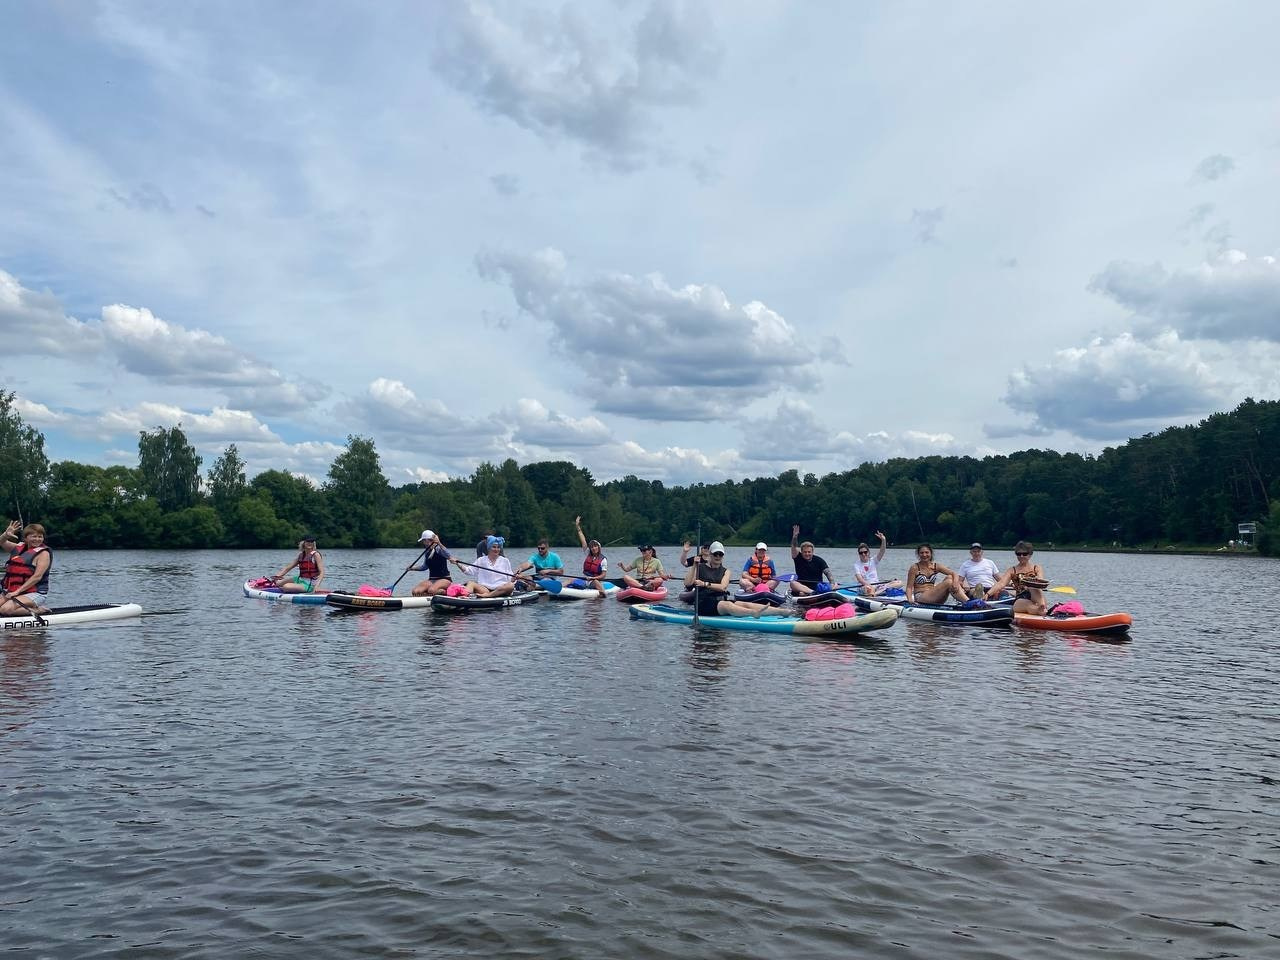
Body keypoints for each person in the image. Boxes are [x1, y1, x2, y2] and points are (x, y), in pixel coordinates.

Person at [684, 541, 784, 618]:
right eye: (715, 554)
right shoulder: (700, 567)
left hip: (720, 601)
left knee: (744, 604)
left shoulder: (726, 571)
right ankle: (753, 613)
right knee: (726, 605)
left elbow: (723, 587)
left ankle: (782, 612)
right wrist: (694, 566)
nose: (718, 556)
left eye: (720, 554)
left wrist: (704, 584)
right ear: (710, 555)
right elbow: (688, 583)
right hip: (704, 604)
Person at [2, 520, 52, 615]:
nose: (37, 539)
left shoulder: (43, 554)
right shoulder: (17, 548)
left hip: (35, 593)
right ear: (25, 538)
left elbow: (37, 577)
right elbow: (1, 542)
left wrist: (16, 592)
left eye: (40, 537)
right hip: (13, 591)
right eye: (34, 536)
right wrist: (6, 534)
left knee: (5, 609)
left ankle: (38, 610)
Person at [986, 541, 1049, 614]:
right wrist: (988, 594)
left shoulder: (1037, 568)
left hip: (1036, 595)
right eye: (1018, 554)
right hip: (1021, 599)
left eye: (1024, 554)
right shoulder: (1012, 570)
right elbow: (1001, 584)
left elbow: (1040, 581)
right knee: (1027, 604)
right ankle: (1040, 610)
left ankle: (1042, 607)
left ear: (1030, 555)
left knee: (1033, 587)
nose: (1021, 556)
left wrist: (1032, 583)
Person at [904, 543, 969, 605]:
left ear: (931, 553)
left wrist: (955, 583)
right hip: (921, 597)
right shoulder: (914, 567)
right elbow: (909, 587)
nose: (924, 555)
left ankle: (965, 599)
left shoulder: (936, 566)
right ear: (918, 554)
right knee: (949, 582)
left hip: (936, 597)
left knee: (950, 577)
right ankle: (967, 602)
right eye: (921, 553)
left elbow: (954, 573)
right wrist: (910, 600)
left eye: (926, 552)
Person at [788, 525, 838, 596]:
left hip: (817, 586)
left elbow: (828, 573)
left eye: (809, 552)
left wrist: (833, 584)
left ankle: (813, 593)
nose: (807, 554)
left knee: (835, 585)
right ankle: (812, 592)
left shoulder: (819, 560)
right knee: (792, 583)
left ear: (812, 552)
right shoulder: (798, 557)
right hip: (801, 586)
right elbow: (794, 546)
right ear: (801, 552)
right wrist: (795, 537)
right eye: (805, 552)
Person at [851, 530, 900, 595]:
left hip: (876, 585)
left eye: (865, 552)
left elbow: (882, 551)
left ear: (868, 552)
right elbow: (860, 579)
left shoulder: (873, 560)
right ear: (859, 554)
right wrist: (869, 585)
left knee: (899, 582)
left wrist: (883, 540)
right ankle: (878, 592)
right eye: (861, 553)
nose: (863, 554)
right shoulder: (856, 565)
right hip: (865, 586)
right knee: (868, 588)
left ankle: (876, 593)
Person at [409, 530, 454, 597]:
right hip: (432, 579)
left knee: (431, 590)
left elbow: (449, 555)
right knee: (415, 592)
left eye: (423, 541)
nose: (423, 543)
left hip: (444, 579)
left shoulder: (439, 549)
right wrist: (412, 568)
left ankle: (447, 591)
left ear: (427, 540)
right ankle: (430, 594)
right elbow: (424, 567)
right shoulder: (427, 552)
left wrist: (439, 543)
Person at [574, 516, 608, 596]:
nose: (593, 548)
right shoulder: (588, 553)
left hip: (595, 581)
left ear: (599, 547)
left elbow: (603, 575)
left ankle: (603, 593)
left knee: (595, 582)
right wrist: (577, 526)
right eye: (592, 547)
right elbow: (583, 540)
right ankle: (559, 589)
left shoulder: (603, 560)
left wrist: (593, 578)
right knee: (571, 580)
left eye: (595, 546)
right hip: (585, 579)